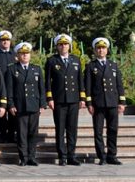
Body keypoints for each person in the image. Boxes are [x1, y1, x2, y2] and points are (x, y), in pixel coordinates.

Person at [45, 34, 85, 166]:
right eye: (61, 44)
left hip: (73, 100)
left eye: (66, 44)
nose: (63, 46)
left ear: (69, 46)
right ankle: (62, 156)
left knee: (72, 129)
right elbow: (48, 82)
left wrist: (82, 98)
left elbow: (80, 80)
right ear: (57, 46)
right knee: (60, 129)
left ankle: (71, 155)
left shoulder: (76, 60)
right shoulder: (52, 61)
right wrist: (50, 98)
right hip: (59, 100)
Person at [85, 37, 125, 166]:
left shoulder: (113, 65)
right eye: (98, 48)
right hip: (98, 104)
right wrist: (89, 104)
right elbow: (88, 86)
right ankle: (101, 156)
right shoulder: (91, 66)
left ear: (107, 50)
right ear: (95, 50)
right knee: (98, 131)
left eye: (103, 48)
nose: (101, 50)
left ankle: (112, 155)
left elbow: (119, 85)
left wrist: (122, 102)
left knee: (113, 130)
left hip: (112, 102)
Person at [7, 42, 46, 166]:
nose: (24, 56)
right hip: (20, 106)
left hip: (34, 105)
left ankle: (31, 157)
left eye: (27, 53)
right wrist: (11, 104)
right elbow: (10, 89)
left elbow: (41, 88)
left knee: (33, 133)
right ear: (18, 55)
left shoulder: (36, 69)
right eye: (22, 54)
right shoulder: (12, 69)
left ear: (30, 55)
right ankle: (23, 157)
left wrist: (42, 104)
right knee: (22, 133)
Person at [0, 30, 17, 143]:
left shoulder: (15, 55)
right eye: (3, 40)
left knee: (12, 112)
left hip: (12, 87)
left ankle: (11, 134)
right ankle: (2, 134)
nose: (5, 42)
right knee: (0, 112)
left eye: (7, 40)